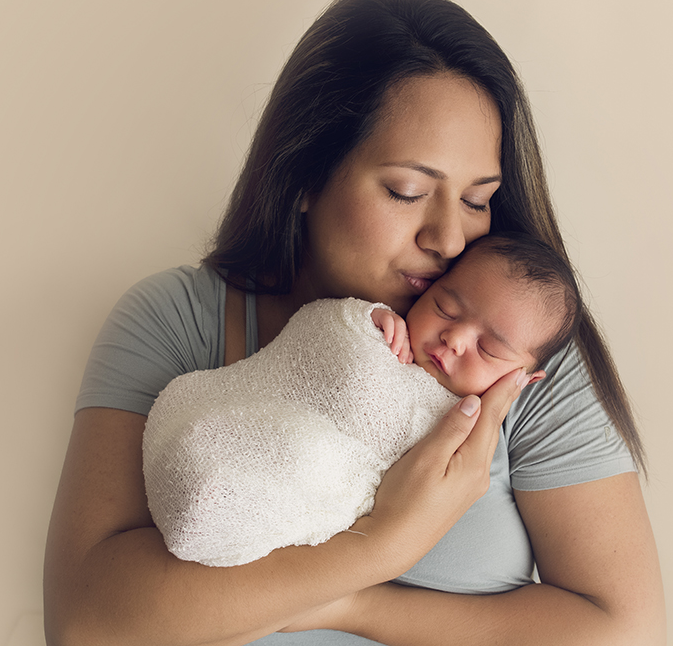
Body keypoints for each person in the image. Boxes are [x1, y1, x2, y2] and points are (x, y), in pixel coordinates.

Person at [44, 0, 666, 645]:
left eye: (479, 199)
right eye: (407, 191)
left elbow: (623, 629)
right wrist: (378, 546)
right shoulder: (176, 320)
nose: (451, 240)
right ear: (306, 175)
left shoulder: (513, 349)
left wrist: (352, 606)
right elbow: (86, 623)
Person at [143, 233, 575, 568]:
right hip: (227, 423)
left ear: (524, 379)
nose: (455, 338)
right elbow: (320, 335)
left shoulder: (472, 436)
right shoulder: (385, 333)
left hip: (294, 476)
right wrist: (363, 319)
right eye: (445, 307)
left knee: (305, 455)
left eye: (490, 350)